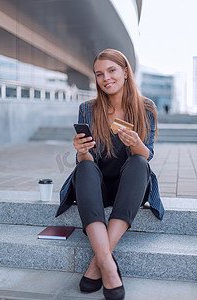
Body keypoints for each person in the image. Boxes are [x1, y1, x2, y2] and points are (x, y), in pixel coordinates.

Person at [56, 49, 164, 300]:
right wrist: (82, 151)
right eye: (99, 74)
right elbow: (86, 162)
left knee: (139, 162)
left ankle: (96, 264)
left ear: (126, 72)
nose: (106, 78)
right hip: (98, 186)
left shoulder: (145, 107)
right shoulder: (87, 109)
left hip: (131, 185)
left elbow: (147, 155)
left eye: (112, 71)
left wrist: (136, 142)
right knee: (83, 167)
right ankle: (107, 264)